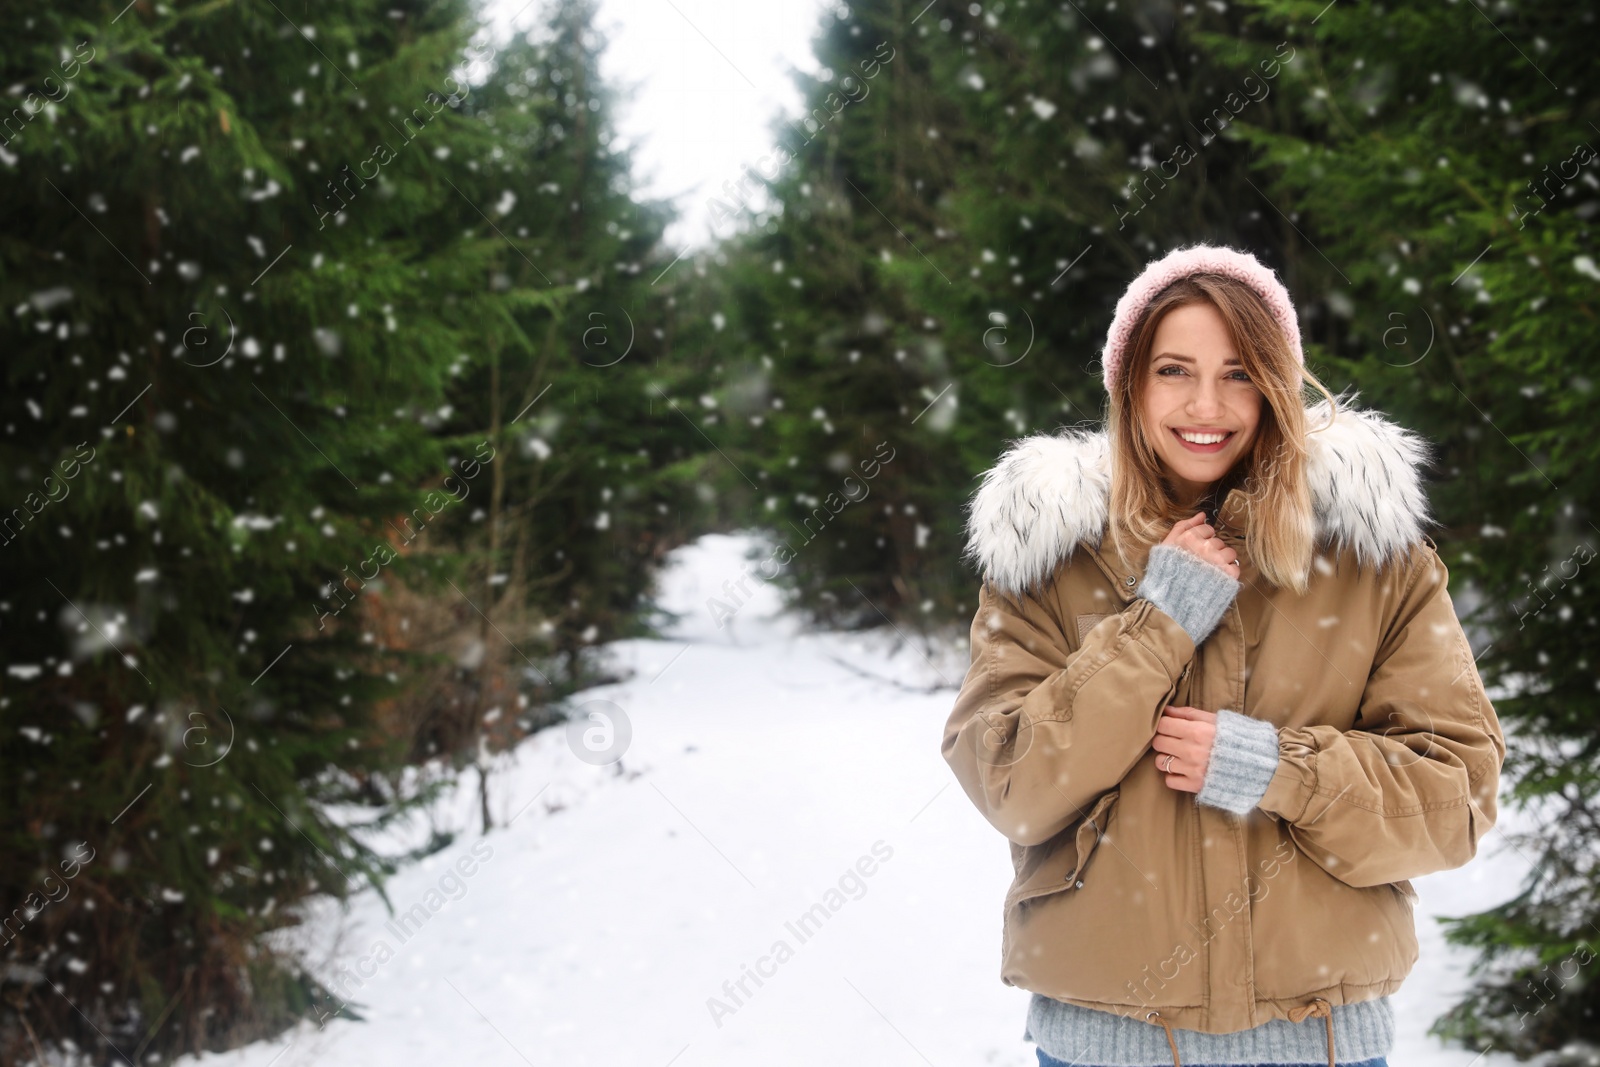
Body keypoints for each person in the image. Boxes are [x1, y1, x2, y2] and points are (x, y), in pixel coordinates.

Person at [941, 243, 1507, 1067]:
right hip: (1106, 1044)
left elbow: (1457, 795)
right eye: (1175, 369)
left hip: (1319, 1042)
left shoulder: (1370, 555)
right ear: (1129, 383)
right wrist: (1157, 623)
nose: (1207, 403)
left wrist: (1277, 767)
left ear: (1278, 384)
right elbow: (1014, 785)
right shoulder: (1047, 553)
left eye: (1239, 372)